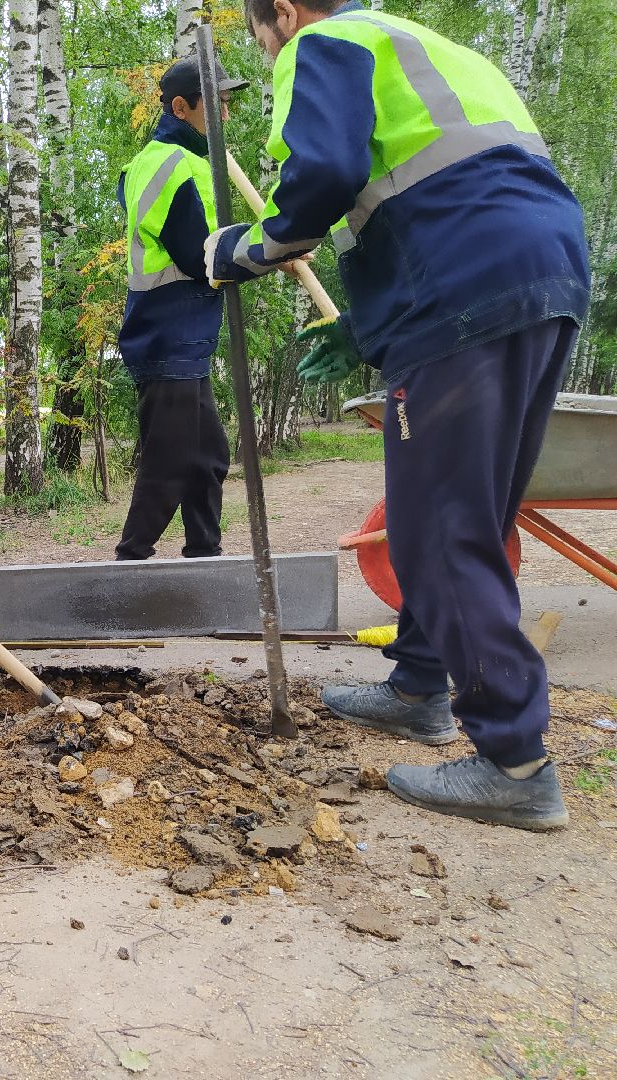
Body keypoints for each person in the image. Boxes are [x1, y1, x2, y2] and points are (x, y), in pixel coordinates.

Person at [206, 0, 590, 829]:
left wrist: (248, 248)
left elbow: (322, 175)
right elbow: (442, 193)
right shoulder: (427, 47)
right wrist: (365, 326)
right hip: (534, 274)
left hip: (464, 288)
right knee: (466, 513)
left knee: (438, 529)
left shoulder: (326, 42)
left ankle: (515, 762)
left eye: (263, 36)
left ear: (281, 11)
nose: (270, 50)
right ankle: (420, 684)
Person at [112, 57, 247, 563]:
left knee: (207, 455)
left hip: (188, 336)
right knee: (169, 459)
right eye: (216, 106)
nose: (225, 118)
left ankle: (204, 556)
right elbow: (197, 255)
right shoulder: (162, 163)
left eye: (227, 105)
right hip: (165, 333)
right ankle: (131, 560)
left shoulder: (193, 161)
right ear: (180, 106)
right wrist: (264, 251)